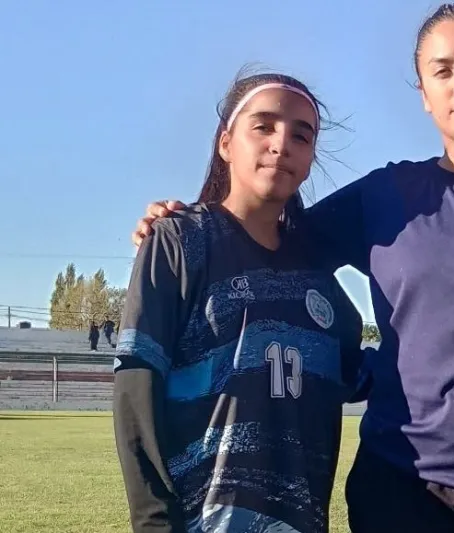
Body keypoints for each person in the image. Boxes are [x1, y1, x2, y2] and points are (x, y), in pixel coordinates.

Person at [131, 4, 454, 532]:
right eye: (443, 70)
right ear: (423, 94)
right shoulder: (385, 195)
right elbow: (268, 239)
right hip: (402, 485)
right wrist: (192, 223)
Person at [113, 71, 364, 533]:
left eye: (301, 135)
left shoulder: (316, 274)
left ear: (309, 159)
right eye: (263, 126)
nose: (281, 142)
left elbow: (355, 374)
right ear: (226, 143)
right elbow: (135, 388)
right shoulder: (179, 241)